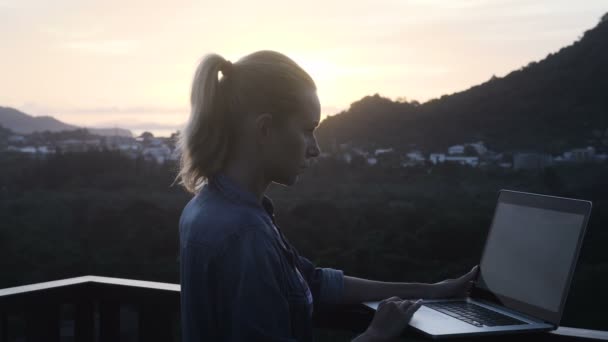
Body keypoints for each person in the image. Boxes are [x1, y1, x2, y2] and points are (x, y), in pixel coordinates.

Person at [176, 50, 478, 342]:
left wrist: (431, 290)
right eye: (308, 130)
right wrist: (375, 335)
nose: (315, 148)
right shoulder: (245, 233)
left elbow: (313, 283)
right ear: (265, 129)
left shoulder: (210, 206)